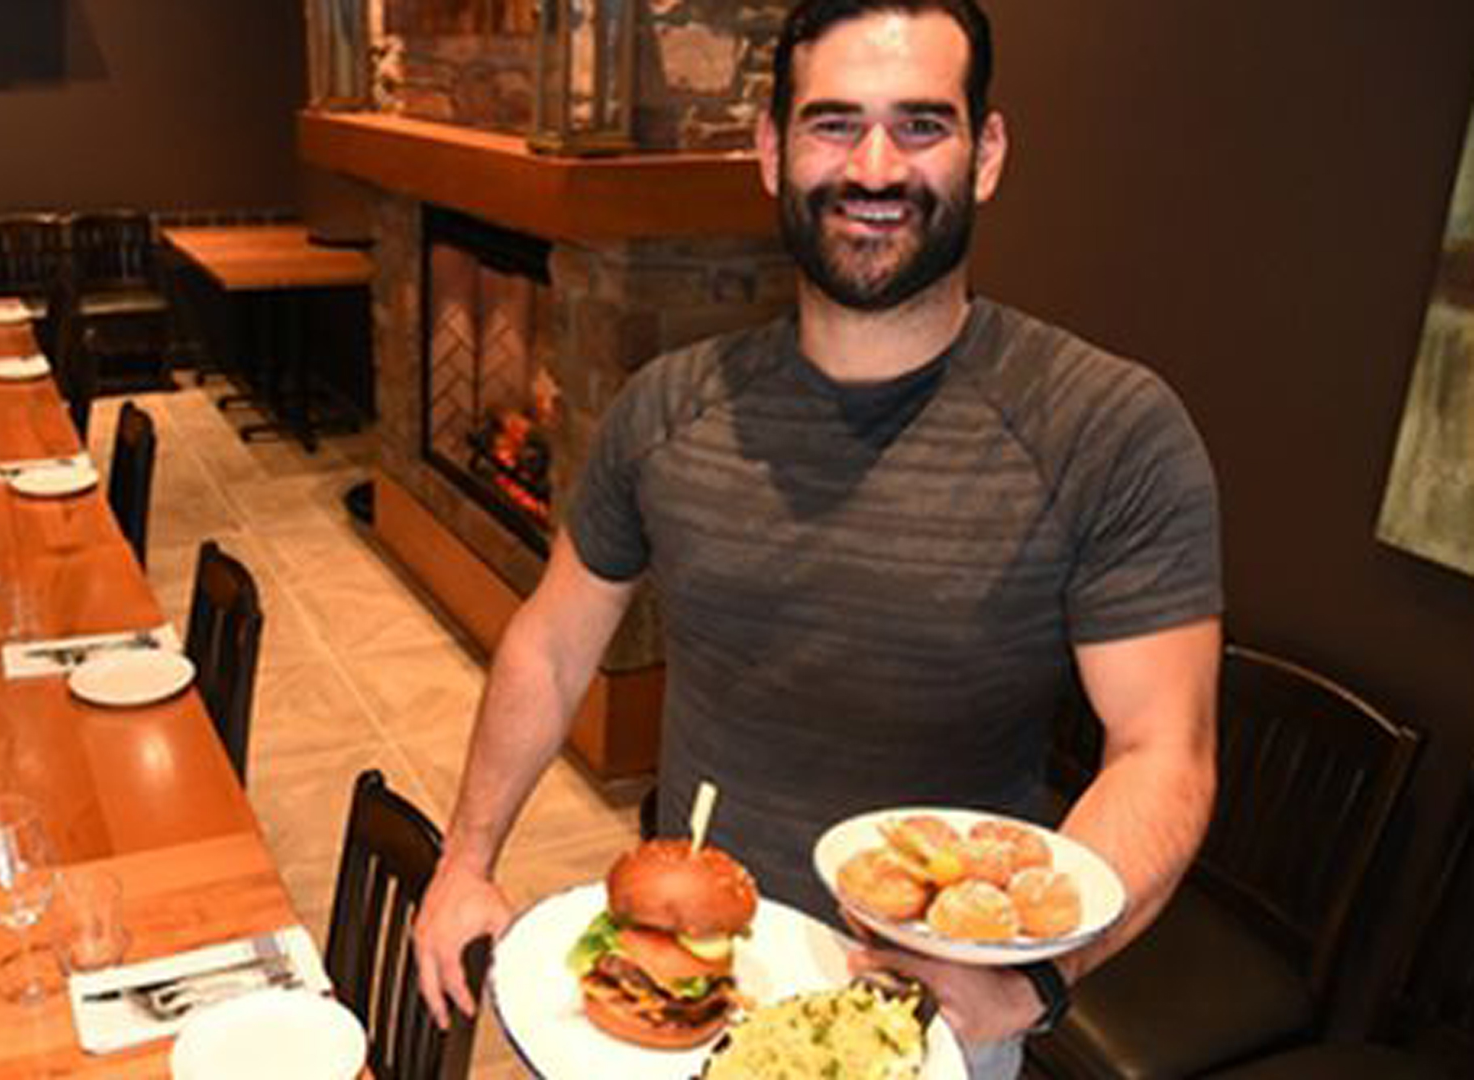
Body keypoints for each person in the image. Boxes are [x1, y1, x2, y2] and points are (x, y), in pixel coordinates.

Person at [411, 1, 1222, 1076]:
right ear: (771, 151)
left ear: (986, 155)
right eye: (834, 124)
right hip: (699, 976)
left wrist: (1030, 981)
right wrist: (466, 859)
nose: (875, 167)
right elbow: (554, 643)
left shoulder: (1108, 429)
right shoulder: (666, 409)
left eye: (922, 126)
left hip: (930, 1019)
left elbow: (1163, 750)